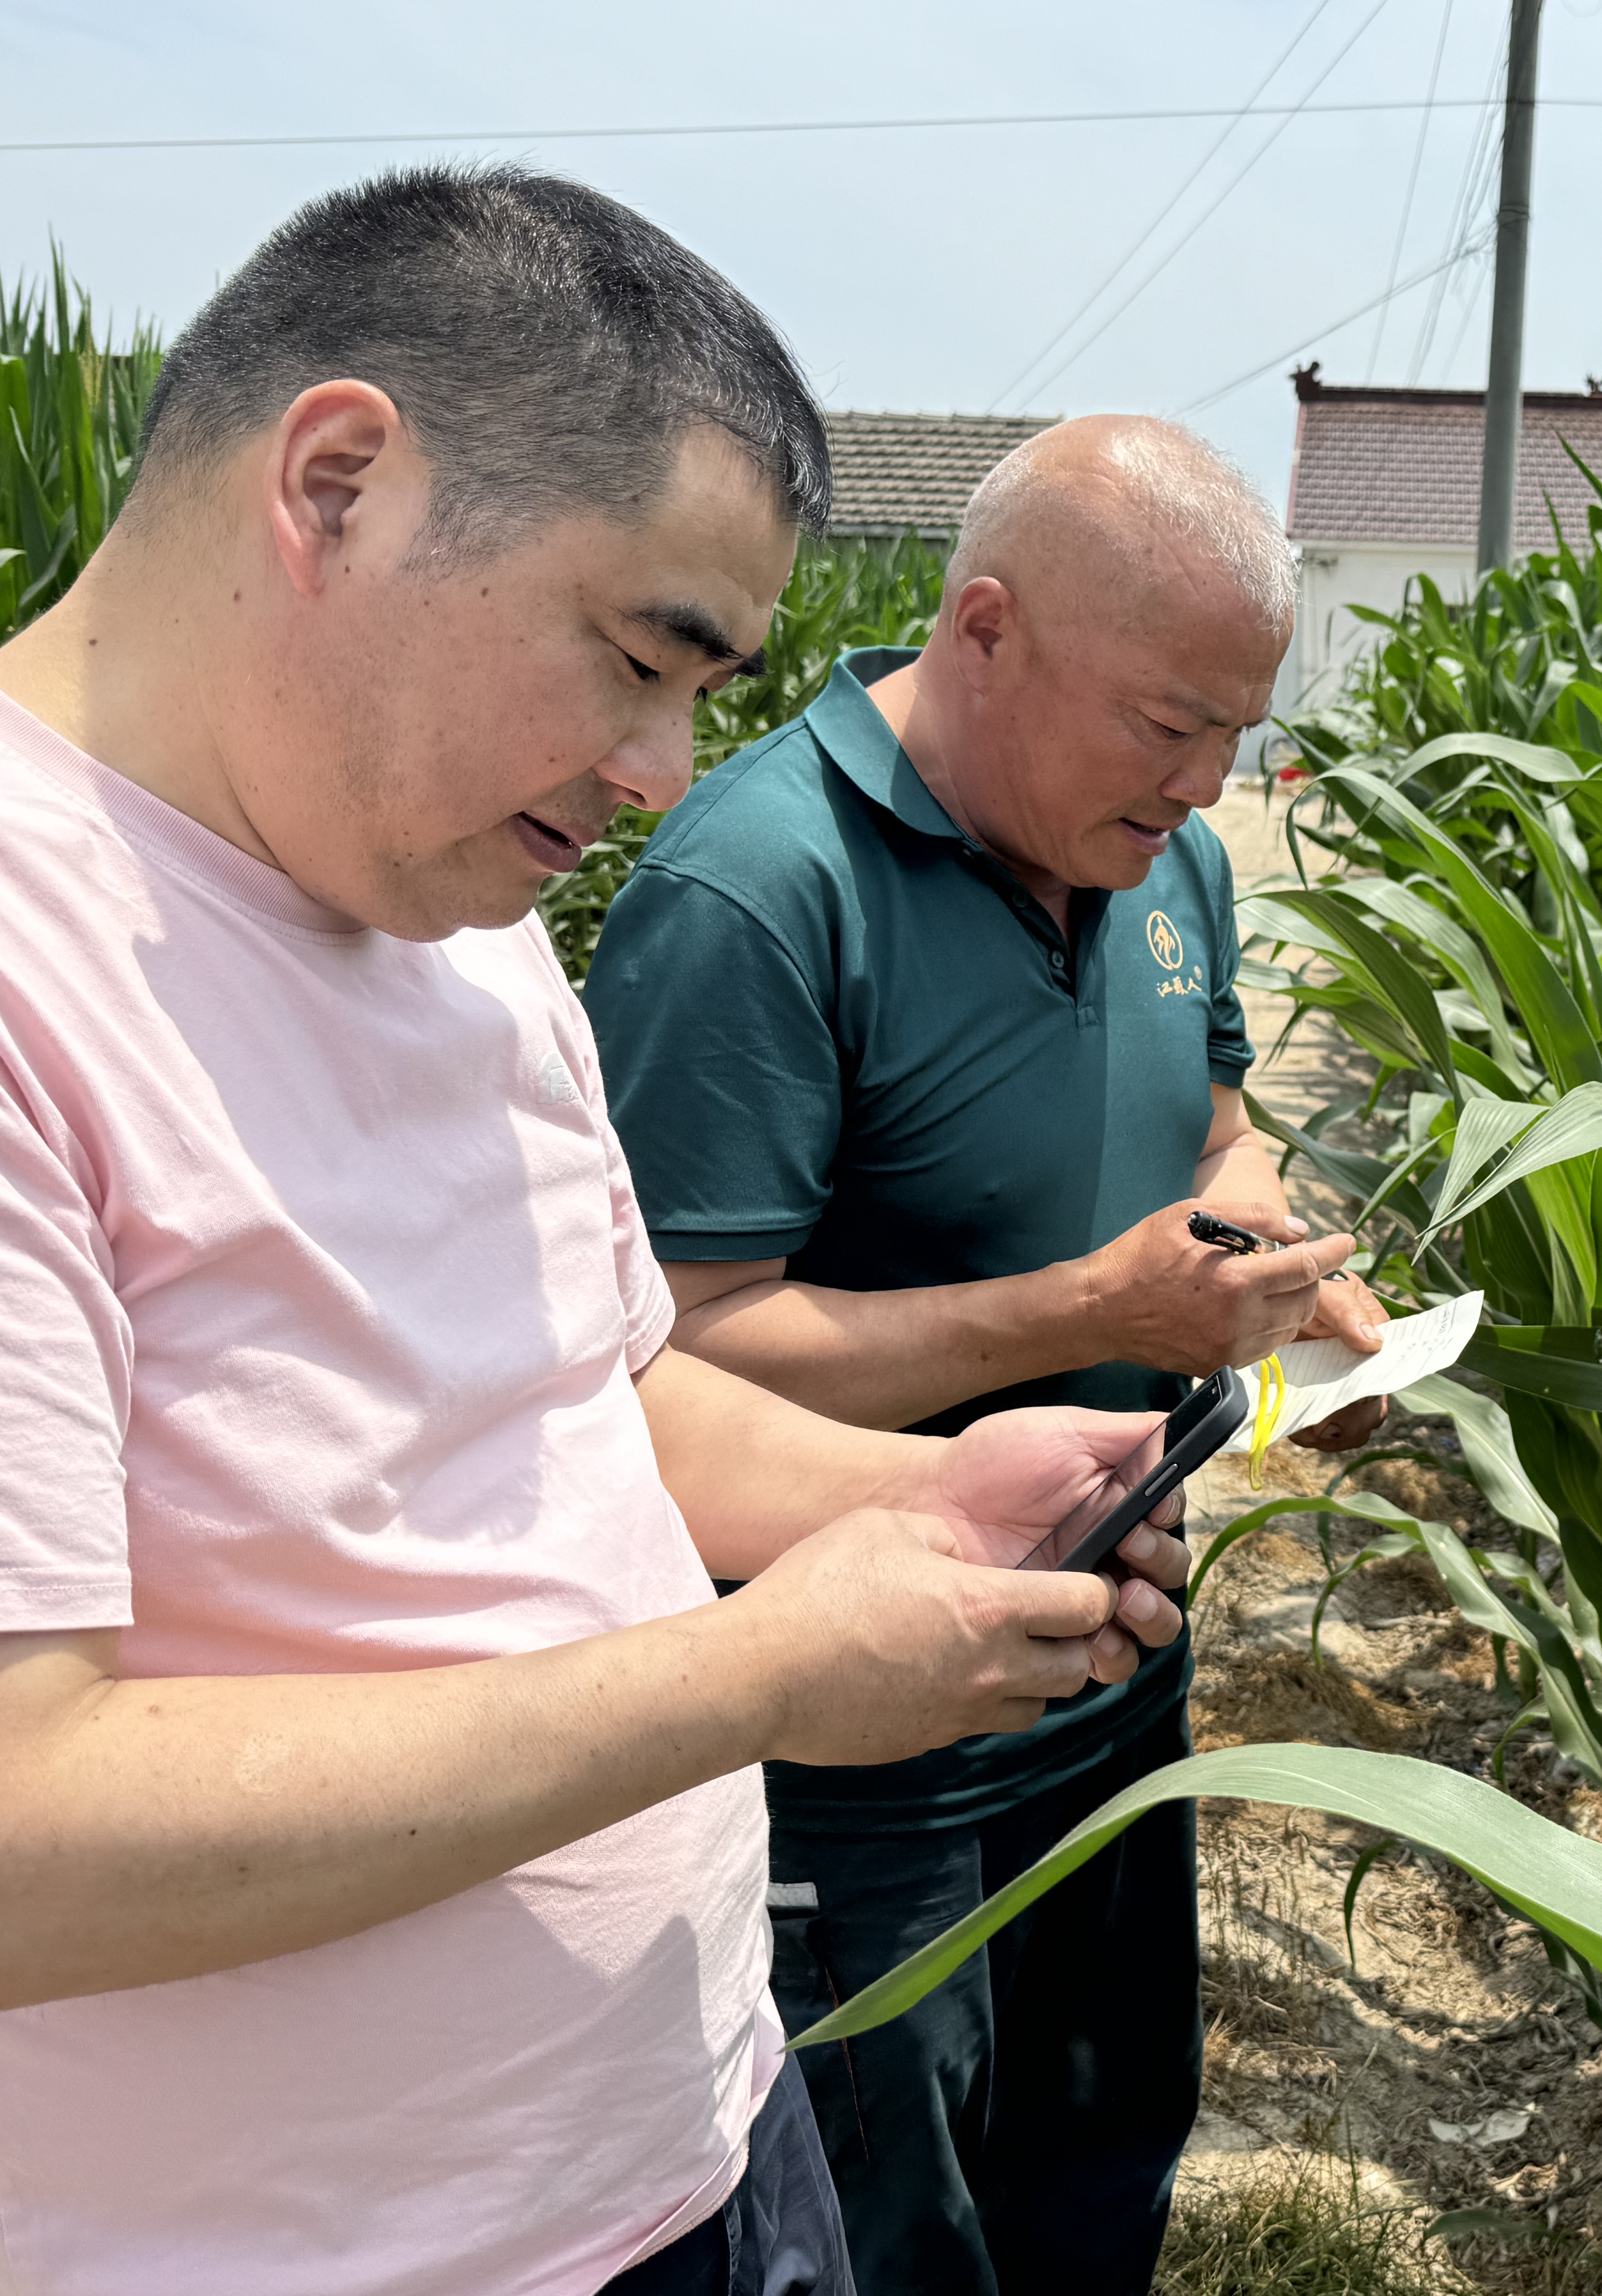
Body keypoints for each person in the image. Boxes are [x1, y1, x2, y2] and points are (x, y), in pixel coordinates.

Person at [0, 166, 1193, 2296]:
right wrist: (755, 1676)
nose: (665, 774)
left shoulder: (453, 910)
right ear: (343, 478)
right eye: (645, 659)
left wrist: (918, 1499)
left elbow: (602, 1389)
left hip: (700, 2146)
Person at [583, 414, 1383, 2294]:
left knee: (1101, 2166)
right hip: (865, 1758)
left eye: (1235, 737)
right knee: (893, 2223)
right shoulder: (759, 893)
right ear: (988, 628)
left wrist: (1270, 1266)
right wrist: (1094, 1314)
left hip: (1117, 1684)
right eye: (1164, 720)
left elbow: (1213, 1125)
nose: (1202, 783)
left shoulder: (1157, 861)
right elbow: (672, 1348)